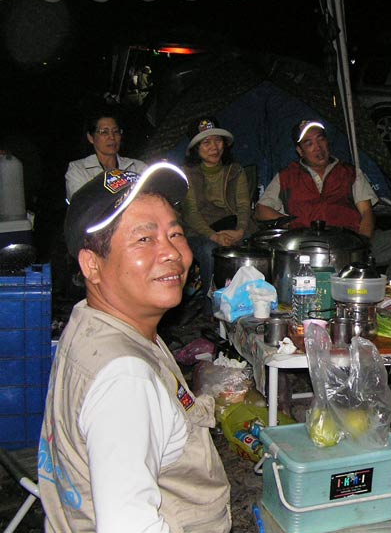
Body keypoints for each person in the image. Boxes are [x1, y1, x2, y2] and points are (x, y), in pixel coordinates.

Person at [38, 163, 231, 532]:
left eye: (175, 233)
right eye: (144, 239)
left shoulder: (93, 321)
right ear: (92, 265)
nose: (171, 252)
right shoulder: (125, 381)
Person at [256, 119, 391, 285]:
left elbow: (366, 212)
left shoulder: (349, 172)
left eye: (321, 139)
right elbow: (261, 210)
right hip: (306, 248)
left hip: (349, 243)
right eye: (309, 143)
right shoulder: (287, 176)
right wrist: (292, 224)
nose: (318, 147)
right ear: (300, 151)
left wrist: (362, 244)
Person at [181, 116, 254, 309]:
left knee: (256, 246)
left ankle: (250, 304)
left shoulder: (235, 170)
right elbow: (190, 213)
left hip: (232, 227)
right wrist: (214, 236)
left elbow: (243, 205)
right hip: (199, 232)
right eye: (206, 142)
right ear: (196, 148)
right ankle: (211, 308)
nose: (214, 147)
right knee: (209, 251)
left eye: (218, 140)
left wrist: (239, 231)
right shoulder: (186, 173)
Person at [65, 108, 147, 201]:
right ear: (91, 137)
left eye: (116, 131)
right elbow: (82, 203)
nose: (112, 137)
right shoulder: (78, 169)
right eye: (104, 132)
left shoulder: (138, 167)